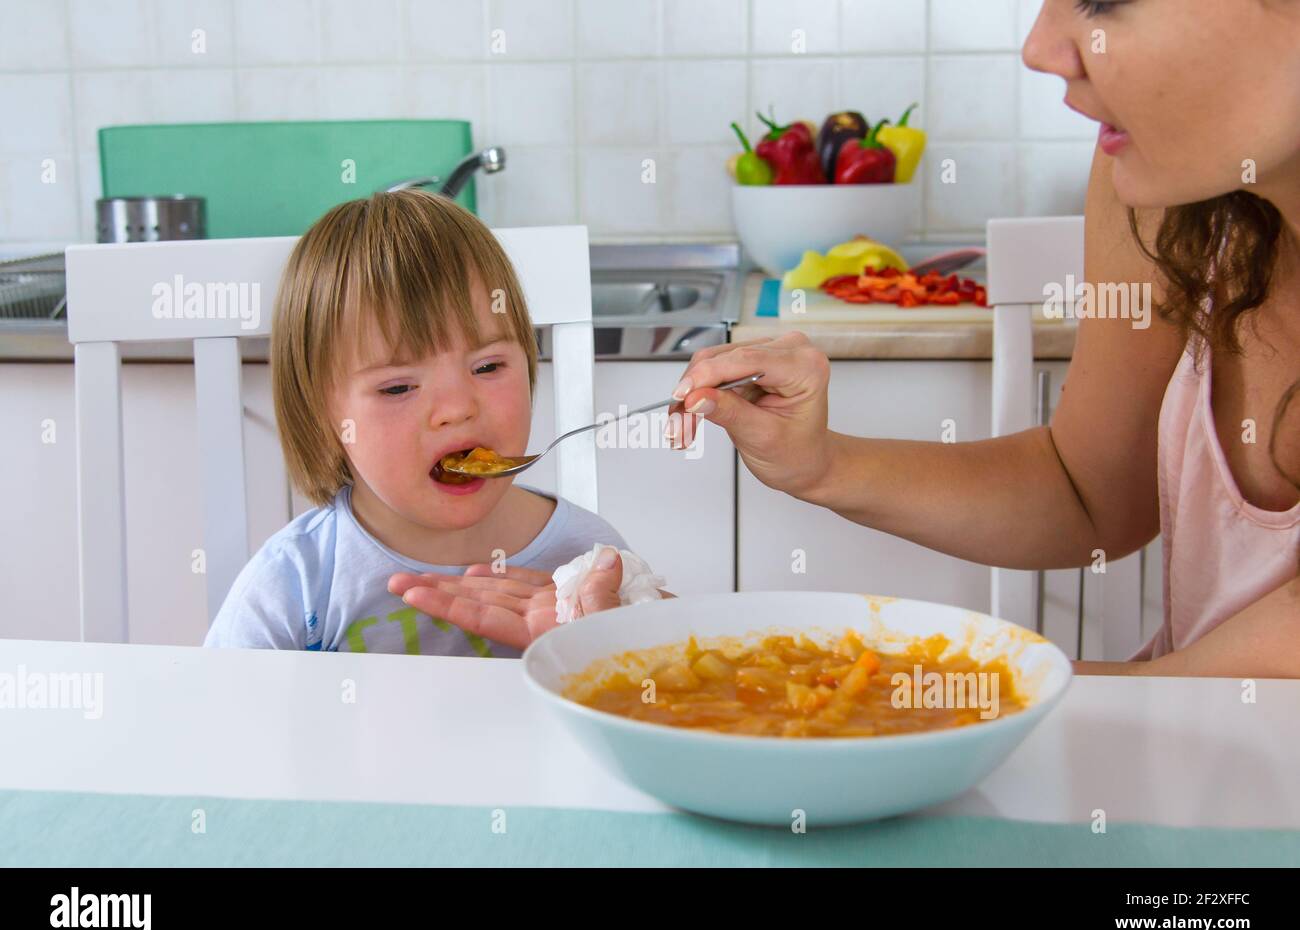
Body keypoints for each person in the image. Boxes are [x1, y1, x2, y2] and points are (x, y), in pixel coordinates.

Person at [401, 0, 1300, 677]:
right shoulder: (1168, 203)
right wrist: (822, 464)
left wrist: (865, 698)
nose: (1042, 44)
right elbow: (1088, 490)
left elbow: (1238, 680)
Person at [204, 190, 630, 655]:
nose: (457, 408)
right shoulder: (294, 583)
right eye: (397, 388)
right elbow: (222, 721)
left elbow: (644, 705)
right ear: (322, 414)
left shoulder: (589, 561)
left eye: (488, 367)